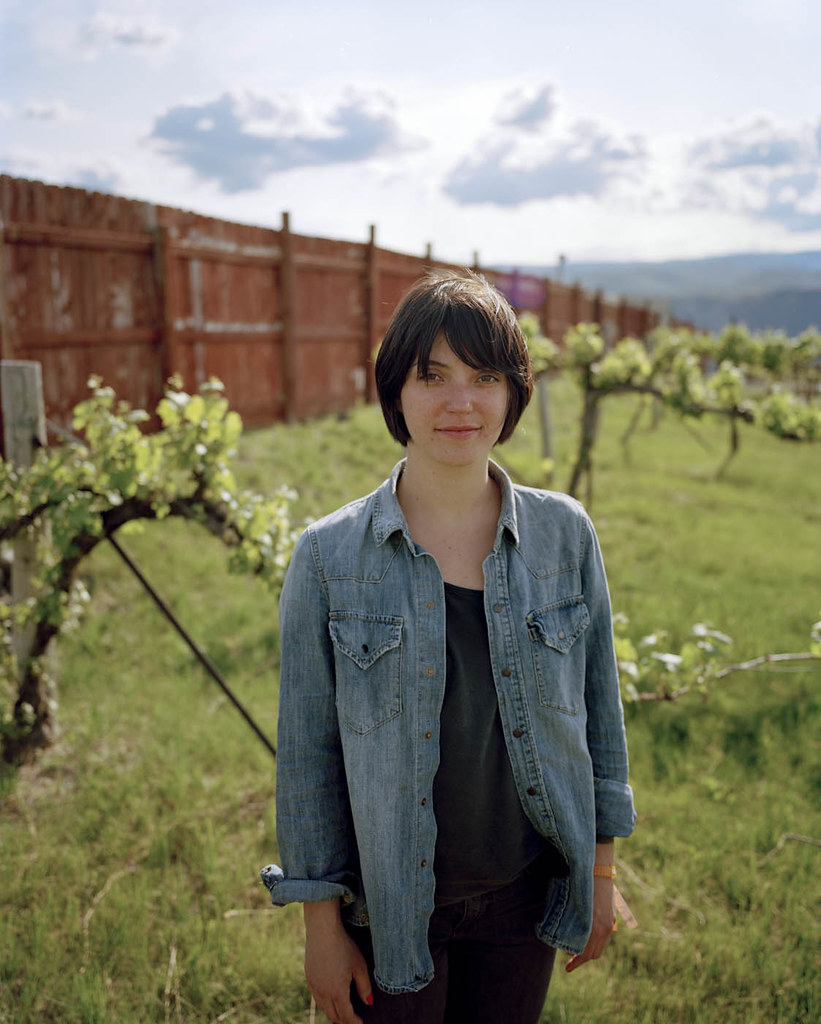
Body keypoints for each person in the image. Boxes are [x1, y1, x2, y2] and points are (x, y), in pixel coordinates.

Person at [261, 269, 636, 1024]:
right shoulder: (329, 556)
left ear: (513, 392)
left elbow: (599, 712)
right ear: (394, 392)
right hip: (389, 907)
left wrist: (598, 870)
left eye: (484, 376)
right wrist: (319, 924)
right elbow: (308, 755)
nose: (460, 401)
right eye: (432, 376)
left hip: (523, 891)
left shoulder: (564, 534)